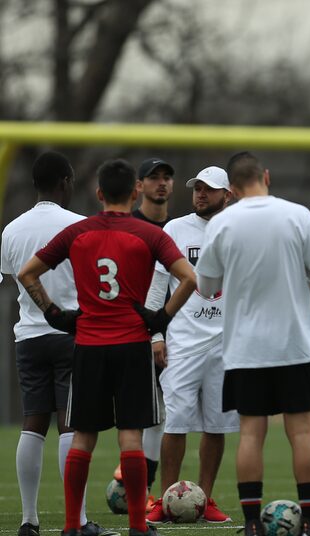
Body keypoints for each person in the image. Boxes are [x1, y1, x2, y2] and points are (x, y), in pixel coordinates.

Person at [17, 158, 197, 536]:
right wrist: (160, 318)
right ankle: (137, 527)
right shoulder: (150, 235)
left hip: (88, 344)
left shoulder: (77, 232)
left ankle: (71, 527)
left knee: (82, 435)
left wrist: (54, 314)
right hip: (132, 344)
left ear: (98, 194)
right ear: (135, 192)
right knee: (130, 435)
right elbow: (188, 277)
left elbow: (26, 273)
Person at [195, 152, 310, 536]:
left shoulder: (222, 223)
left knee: (251, 434)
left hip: (244, 348)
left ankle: (253, 524)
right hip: (295, 345)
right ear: (267, 177)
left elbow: (206, 287)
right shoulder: (298, 215)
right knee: (302, 433)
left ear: (233, 190)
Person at [0, 152, 116, 536]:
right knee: (72, 427)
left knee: (33, 424)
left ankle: (28, 520)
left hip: (29, 337)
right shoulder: (81, 226)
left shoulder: (12, 229)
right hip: (72, 334)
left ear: (35, 184)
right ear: (66, 181)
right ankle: (77, 520)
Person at [144, 166, 237, 524]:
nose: (200, 194)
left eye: (209, 189)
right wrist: (155, 335)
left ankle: (204, 498)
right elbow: (156, 288)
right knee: (176, 424)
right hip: (181, 343)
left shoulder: (237, 229)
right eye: (197, 188)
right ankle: (167, 500)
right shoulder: (175, 229)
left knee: (216, 426)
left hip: (225, 346)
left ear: (226, 195)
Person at [116, 157, 175, 508]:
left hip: (169, 332)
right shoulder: (126, 226)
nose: (161, 183)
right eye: (153, 177)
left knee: (161, 411)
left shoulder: (178, 227)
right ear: (138, 186)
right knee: (133, 413)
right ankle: (132, 480)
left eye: (167, 177)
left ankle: (145, 486)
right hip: (128, 330)